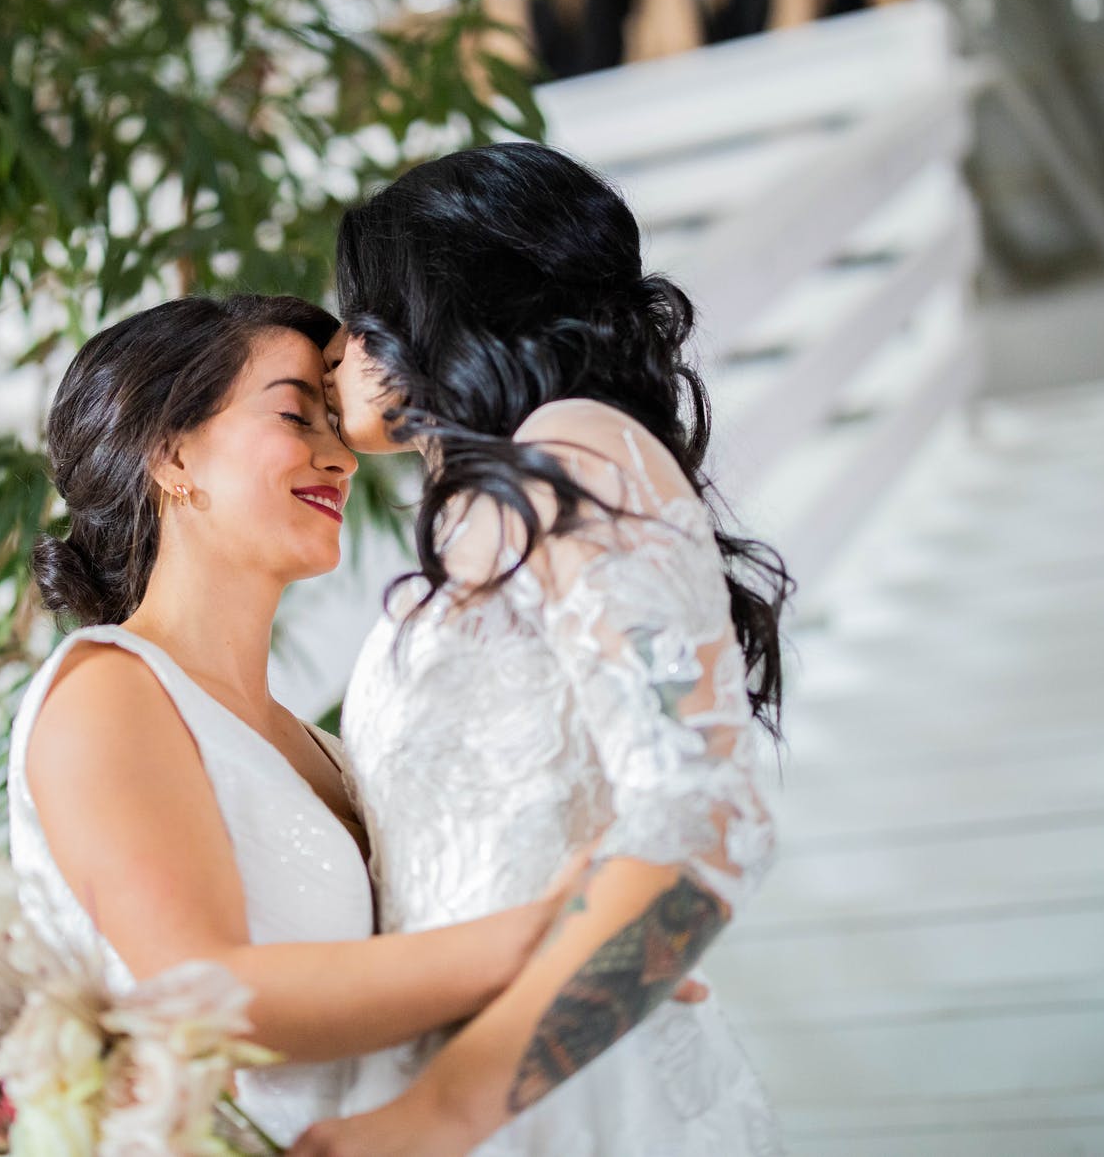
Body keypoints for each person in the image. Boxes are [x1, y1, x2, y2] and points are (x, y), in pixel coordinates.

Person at [294, 141, 793, 1156]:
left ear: (438, 310)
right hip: (460, 1068)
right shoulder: (493, 505)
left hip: (556, 1096)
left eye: (361, 316)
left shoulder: (571, 447)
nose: (332, 351)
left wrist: (433, 1117)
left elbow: (706, 814)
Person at [8, 294, 588, 1146]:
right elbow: (200, 998)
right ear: (169, 452)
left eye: (336, 426)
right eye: (295, 415)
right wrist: (551, 934)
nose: (341, 460)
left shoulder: (324, 748)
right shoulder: (108, 692)